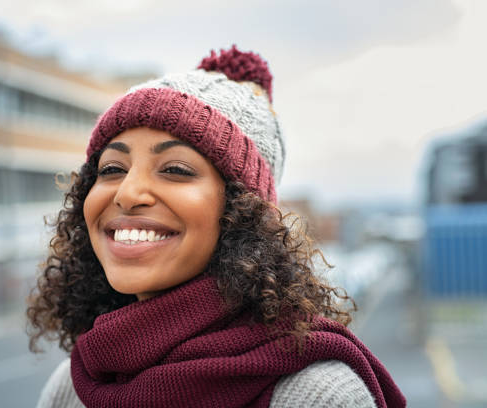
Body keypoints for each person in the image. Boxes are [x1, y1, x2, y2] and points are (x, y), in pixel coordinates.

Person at [27, 45, 406, 408]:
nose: (127, 193)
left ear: (243, 212)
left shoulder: (317, 396)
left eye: (175, 169)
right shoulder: (71, 389)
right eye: (111, 169)